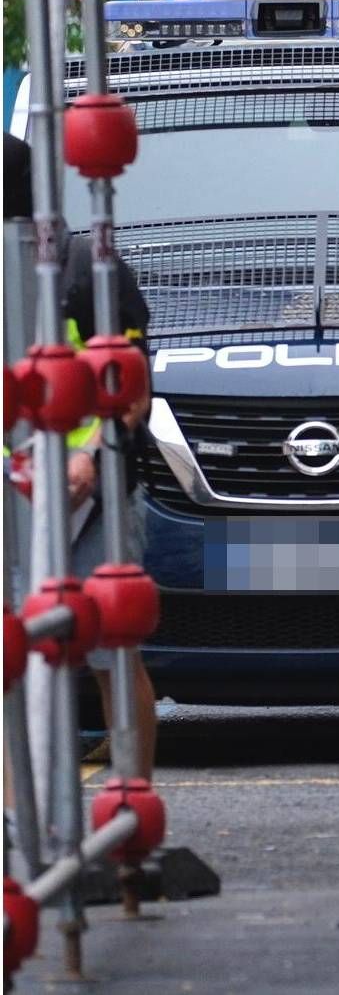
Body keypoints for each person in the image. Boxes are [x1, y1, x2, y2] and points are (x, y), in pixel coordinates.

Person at [4, 133, 159, 778]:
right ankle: (19, 818)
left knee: (110, 653)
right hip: (14, 496)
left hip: (95, 494)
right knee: (13, 656)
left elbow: (133, 389)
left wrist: (89, 458)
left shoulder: (86, 268)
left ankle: (131, 801)